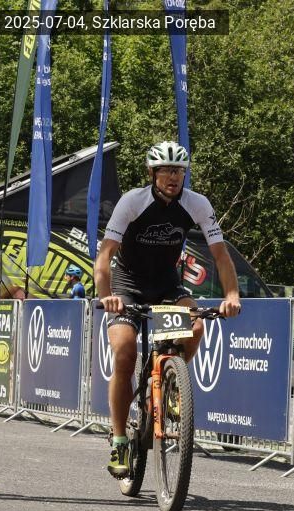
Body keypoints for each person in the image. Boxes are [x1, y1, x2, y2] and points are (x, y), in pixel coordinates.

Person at [95, 141, 242, 479]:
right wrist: (107, 296)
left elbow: (220, 255)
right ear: (152, 173)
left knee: (196, 326)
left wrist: (232, 294)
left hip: (166, 284)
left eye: (179, 171)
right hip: (127, 285)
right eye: (166, 171)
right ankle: (119, 440)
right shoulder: (132, 201)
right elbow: (105, 255)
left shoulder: (197, 204)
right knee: (124, 353)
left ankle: (170, 382)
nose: (174, 177)